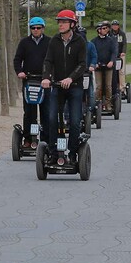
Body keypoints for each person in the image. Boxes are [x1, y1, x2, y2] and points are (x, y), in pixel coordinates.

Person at [41, 9, 87, 168]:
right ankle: (54, 154)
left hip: (74, 87)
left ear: (72, 24)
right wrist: (46, 77)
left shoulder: (80, 42)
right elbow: (48, 61)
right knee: (52, 119)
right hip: (57, 87)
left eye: (64, 21)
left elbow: (82, 64)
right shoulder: (54, 41)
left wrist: (70, 78)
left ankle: (73, 154)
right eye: (59, 21)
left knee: (74, 122)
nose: (60, 24)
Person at [13, 17, 51, 144]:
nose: (35, 30)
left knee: (46, 111)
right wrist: (20, 72)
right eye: (33, 28)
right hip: (29, 80)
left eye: (38, 28)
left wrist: (50, 75)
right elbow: (17, 59)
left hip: (44, 81)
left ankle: (45, 139)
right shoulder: (24, 42)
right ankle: (28, 138)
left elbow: (54, 61)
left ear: (43, 29)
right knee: (29, 111)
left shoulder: (49, 42)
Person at [92, 21, 118, 112]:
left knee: (108, 86)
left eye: (105, 28)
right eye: (103, 29)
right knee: (99, 86)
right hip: (98, 67)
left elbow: (114, 52)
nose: (105, 30)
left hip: (108, 67)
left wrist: (111, 61)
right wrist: (95, 63)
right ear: (98, 30)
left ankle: (108, 104)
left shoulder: (110, 40)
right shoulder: (94, 41)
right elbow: (93, 53)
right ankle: (98, 104)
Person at [109, 19, 128, 94]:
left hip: (120, 54)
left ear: (118, 26)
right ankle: (110, 86)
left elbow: (124, 43)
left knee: (121, 71)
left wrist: (123, 52)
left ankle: (122, 88)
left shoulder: (121, 34)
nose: (115, 27)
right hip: (112, 55)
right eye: (113, 25)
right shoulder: (109, 34)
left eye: (116, 25)